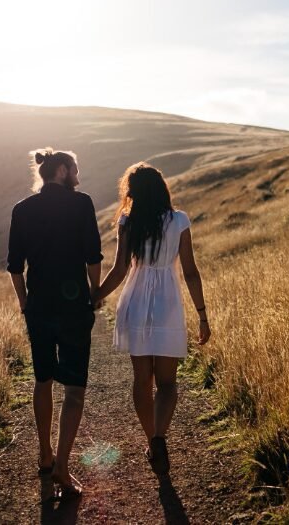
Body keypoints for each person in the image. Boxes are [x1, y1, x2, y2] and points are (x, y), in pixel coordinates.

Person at [93, 162, 210, 476]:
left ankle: (152, 440)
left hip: (136, 300)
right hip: (168, 303)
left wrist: (95, 296)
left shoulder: (128, 221)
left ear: (133, 192)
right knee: (168, 382)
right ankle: (159, 438)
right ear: (162, 189)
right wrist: (202, 315)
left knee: (142, 379)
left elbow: (119, 270)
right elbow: (190, 272)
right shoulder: (180, 220)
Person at [6, 147, 103, 498]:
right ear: (62, 170)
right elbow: (93, 254)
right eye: (75, 168)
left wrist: (24, 302)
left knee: (42, 379)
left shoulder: (22, 209)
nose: (78, 175)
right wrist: (95, 291)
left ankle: (44, 454)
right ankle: (62, 465)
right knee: (74, 389)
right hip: (74, 306)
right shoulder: (82, 203)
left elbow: (15, 266)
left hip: (39, 308)